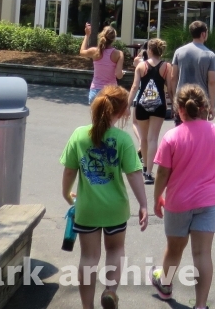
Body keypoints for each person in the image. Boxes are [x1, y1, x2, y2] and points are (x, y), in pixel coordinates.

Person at [60, 84, 148, 309]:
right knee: (115, 250)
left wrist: (66, 194)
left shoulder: (79, 135)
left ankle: (87, 306)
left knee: (88, 258)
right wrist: (143, 204)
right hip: (115, 209)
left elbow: (69, 171)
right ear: (122, 112)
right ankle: (110, 291)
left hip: (87, 209)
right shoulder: (123, 139)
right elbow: (134, 174)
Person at [150, 84, 215, 309]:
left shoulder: (171, 137)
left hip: (178, 203)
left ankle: (165, 286)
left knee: (174, 249)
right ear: (204, 107)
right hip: (208, 202)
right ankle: (200, 305)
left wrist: (157, 197)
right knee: (202, 254)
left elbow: (162, 173)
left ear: (179, 109)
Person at [127, 38, 170, 183]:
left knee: (144, 138)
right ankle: (150, 172)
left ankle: (145, 167)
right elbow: (169, 88)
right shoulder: (166, 67)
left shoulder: (141, 66)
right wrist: (175, 103)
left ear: (149, 50)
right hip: (159, 105)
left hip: (142, 105)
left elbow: (134, 87)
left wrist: (127, 105)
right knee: (153, 138)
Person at [168, 20, 215, 123]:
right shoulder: (210, 55)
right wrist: (212, 105)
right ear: (203, 34)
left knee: (181, 133)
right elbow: (212, 82)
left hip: (182, 99)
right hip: (201, 101)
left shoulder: (179, 52)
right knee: (199, 134)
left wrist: (174, 100)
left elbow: (173, 77)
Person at [80, 23, 124, 104]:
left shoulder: (95, 51)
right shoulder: (118, 54)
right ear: (114, 39)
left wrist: (87, 35)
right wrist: (122, 73)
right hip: (111, 91)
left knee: (96, 116)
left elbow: (82, 52)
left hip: (95, 91)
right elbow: (118, 75)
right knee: (110, 116)